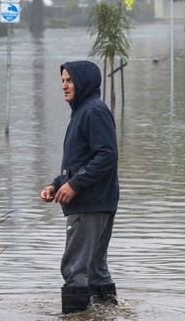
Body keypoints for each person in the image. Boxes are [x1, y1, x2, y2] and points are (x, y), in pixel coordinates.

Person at [40, 60, 119, 313]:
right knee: (96, 270)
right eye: (62, 80)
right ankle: (107, 314)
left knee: (75, 269)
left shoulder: (93, 111)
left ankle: (75, 317)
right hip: (96, 201)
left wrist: (74, 185)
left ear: (83, 82)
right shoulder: (83, 111)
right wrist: (57, 184)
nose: (64, 85)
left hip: (88, 203)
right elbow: (81, 159)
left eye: (70, 80)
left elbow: (107, 155)